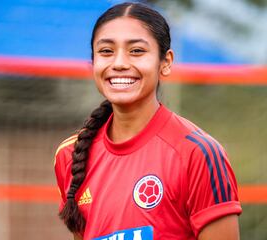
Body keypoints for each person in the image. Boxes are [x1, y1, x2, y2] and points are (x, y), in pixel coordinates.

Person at [54, 2, 242, 240]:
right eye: (106, 51)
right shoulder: (70, 154)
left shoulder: (198, 153)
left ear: (166, 62)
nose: (119, 63)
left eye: (136, 51)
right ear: (93, 63)